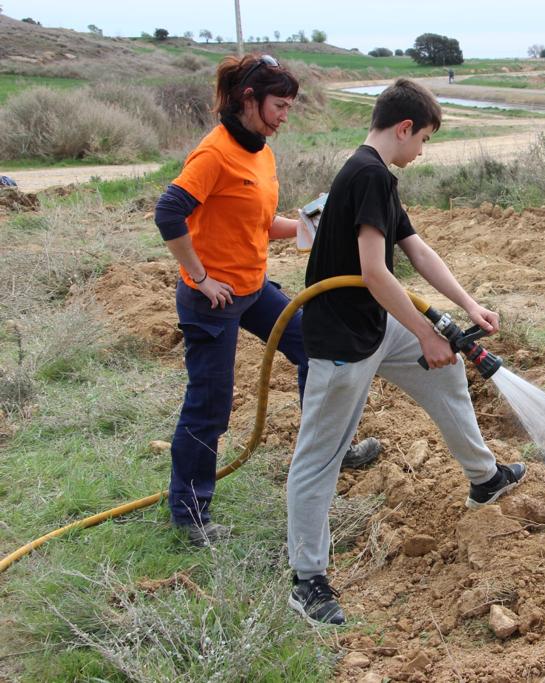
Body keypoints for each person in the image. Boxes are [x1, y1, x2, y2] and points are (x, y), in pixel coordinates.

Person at [286, 78, 526, 625]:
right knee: (320, 457)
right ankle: (307, 580)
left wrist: (468, 305)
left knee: (445, 379)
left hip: (374, 324)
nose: (422, 152)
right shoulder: (368, 173)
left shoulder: (378, 177)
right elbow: (374, 273)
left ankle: (484, 479)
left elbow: (414, 249)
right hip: (343, 340)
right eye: (425, 140)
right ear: (404, 128)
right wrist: (423, 332)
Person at [154, 54, 380, 548]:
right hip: (212, 300)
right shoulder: (214, 154)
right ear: (248, 100)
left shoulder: (260, 151)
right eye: (278, 105)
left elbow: (258, 223)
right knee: (210, 405)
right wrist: (200, 277)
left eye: (289, 106)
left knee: (315, 347)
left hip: (254, 290)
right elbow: (169, 212)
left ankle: (328, 451)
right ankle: (190, 511)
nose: (284, 115)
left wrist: (309, 228)